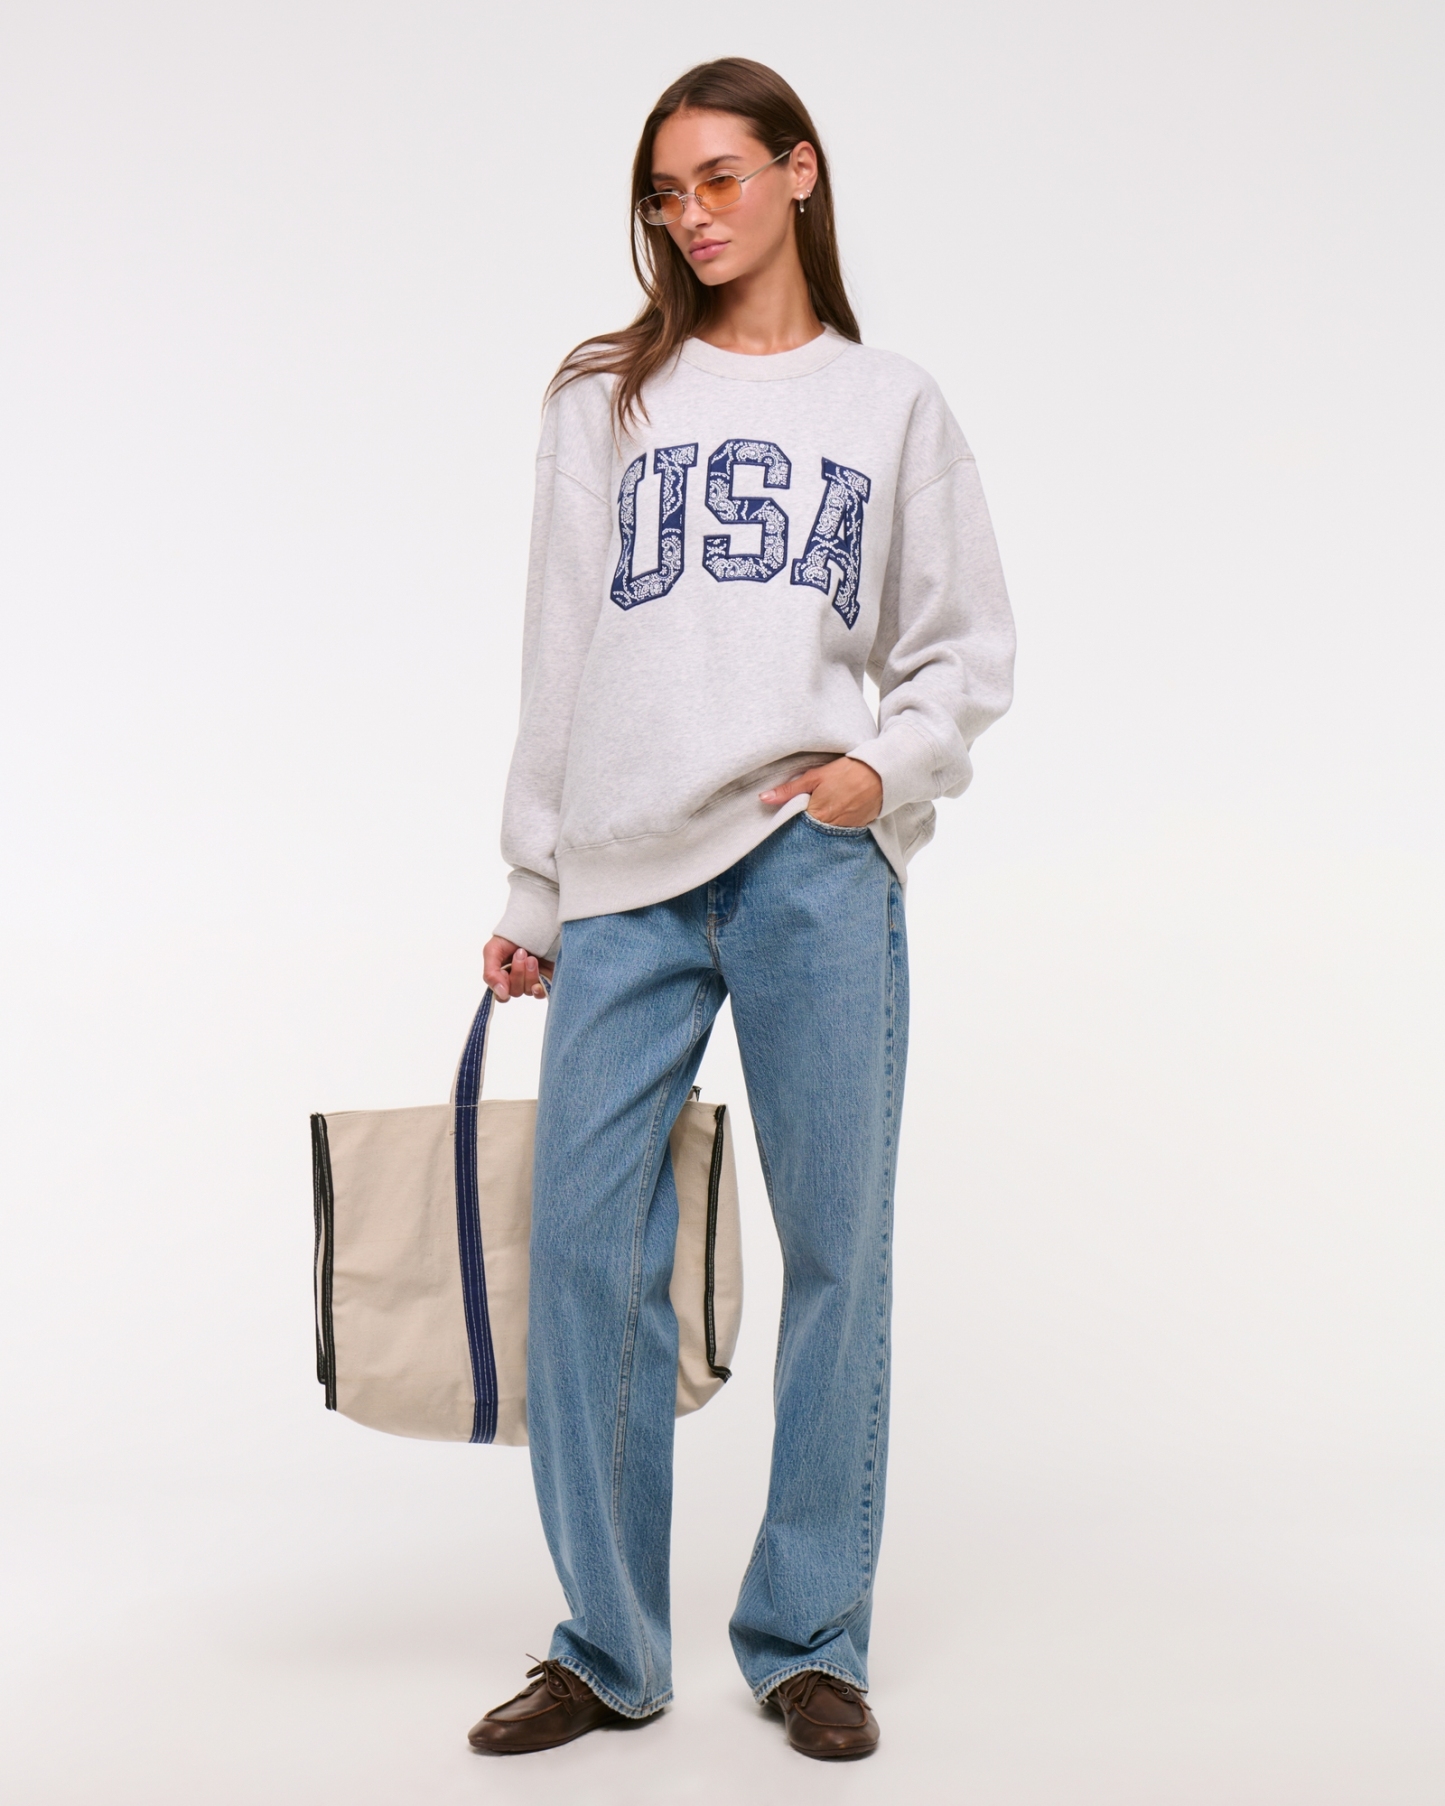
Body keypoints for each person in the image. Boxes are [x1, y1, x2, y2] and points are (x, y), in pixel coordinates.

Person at [468, 56, 1014, 1762]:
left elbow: (961, 645)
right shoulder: (605, 398)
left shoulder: (891, 403)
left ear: (797, 173)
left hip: (807, 868)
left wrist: (880, 773)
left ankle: (807, 1636)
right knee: (584, 1255)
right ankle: (608, 1646)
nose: (690, 215)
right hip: (625, 879)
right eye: (664, 191)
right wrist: (536, 881)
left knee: (836, 1252)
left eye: (717, 177)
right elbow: (560, 650)